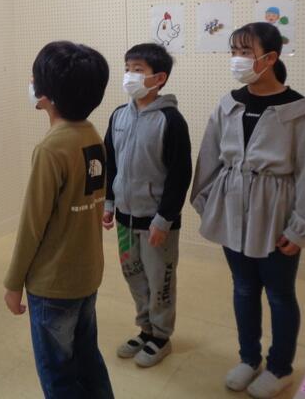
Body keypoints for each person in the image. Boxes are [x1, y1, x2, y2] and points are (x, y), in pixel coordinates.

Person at [190, 22, 305, 399]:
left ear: (269, 58)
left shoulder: (298, 111)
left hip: (276, 215)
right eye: (234, 51)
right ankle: (249, 359)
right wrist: (209, 205)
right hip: (232, 211)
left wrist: (301, 228)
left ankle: (280, 368)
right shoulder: (228, 104)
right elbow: (208, 157)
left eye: (245, 52)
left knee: (280, 294)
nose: (237, 59)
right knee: (244, 287)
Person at [3, 41, 115, 399]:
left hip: (53, 285)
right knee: (87, 358)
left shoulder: (51, 149)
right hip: (87, 275)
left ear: (46, 96)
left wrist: (13, 282)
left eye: (33, 76)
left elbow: (31, 226)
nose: (30, 81)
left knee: (58, 374)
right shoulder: (91, 134)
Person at [103, 43, 192, 368]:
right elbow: (111, 163)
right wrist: (109, 202)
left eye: (138, 70)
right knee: (134, 276)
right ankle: (145, 329)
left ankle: (161, 336)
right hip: (125, 219)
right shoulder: (118, 115)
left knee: (160, 281)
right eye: (128, 68)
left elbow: (180, 175)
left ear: (159, 78)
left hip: (156, 222)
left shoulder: (171, 120)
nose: (130, 75)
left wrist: (164, 219)